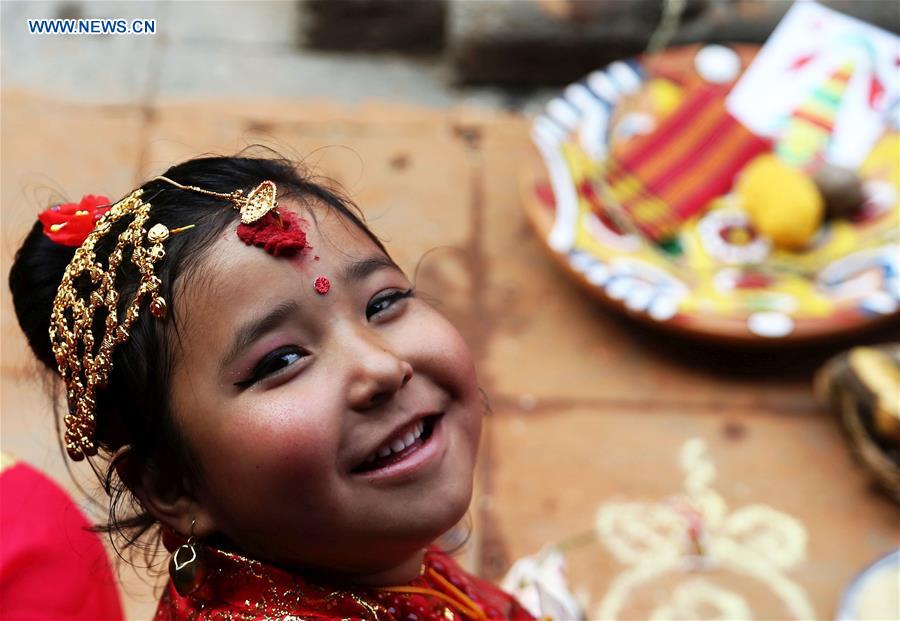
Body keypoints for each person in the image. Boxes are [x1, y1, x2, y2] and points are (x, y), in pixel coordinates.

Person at [8, 154, 535, 620]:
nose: (381, 368)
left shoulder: (357, 547)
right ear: (172, 484)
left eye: (382, 302)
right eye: (282, 359)